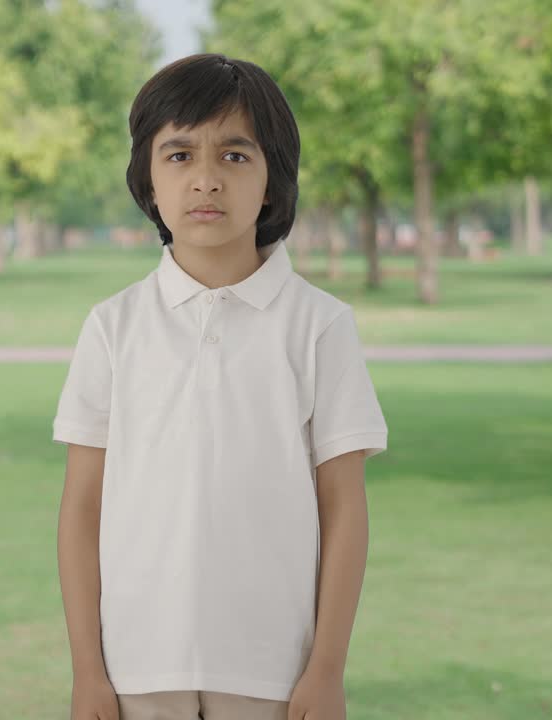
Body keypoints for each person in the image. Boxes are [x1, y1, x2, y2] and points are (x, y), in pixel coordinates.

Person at [53, 53, 388, 720]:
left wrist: (326, 670)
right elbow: (82, 509)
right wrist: (89, 671)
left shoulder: (319, 327)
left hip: (272, 675)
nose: (205, 180)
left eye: (235, 157)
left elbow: (343, 511)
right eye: (179, 156)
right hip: (136, 672)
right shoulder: (112, 328)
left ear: (271, 180)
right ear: (147, 179)